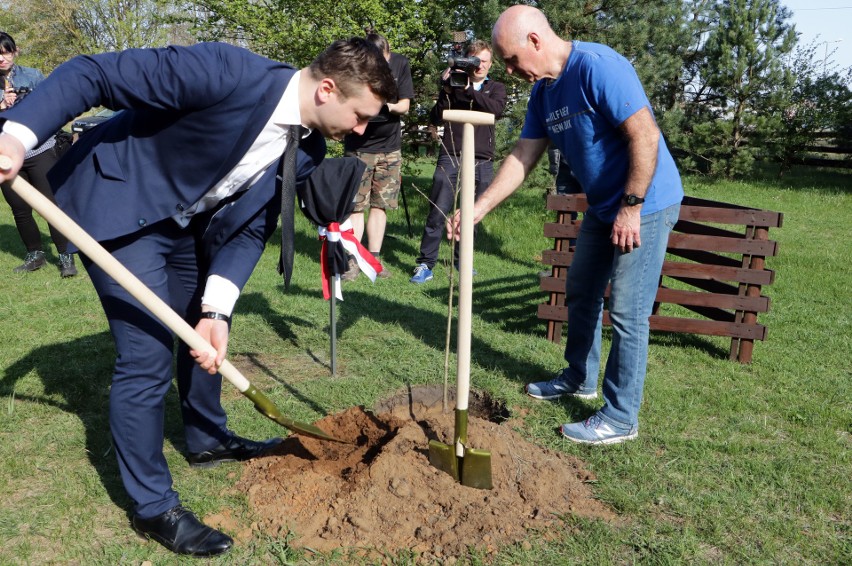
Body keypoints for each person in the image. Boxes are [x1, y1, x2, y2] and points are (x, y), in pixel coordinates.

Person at [0, 39, 396, 556]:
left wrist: (217, 309)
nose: (362, 130)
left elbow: (253, 227)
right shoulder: (225, 71)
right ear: (326, 89)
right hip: (120, 202)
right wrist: (15, 136)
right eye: (361, 115)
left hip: (186, 221)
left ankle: (207, 437)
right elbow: (91, 73)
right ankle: (153, 506)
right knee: (145, 356)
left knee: (198, 325)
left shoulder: (308, 147)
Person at [450, 6, 684, 444]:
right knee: (580, 290)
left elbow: (646, 135)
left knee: (629, 312)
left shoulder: (598, 67)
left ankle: (619, 418)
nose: (510, 70)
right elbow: (523, 156)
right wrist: (479, 208)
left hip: (646, 202)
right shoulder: (543, 95)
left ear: (535, 40)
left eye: (512, 59)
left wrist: (631, 207)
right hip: (603, 204)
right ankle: (580, 377)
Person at [410, 39, 506, 284]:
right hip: (451, 153)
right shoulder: (454, 84)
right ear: (467, 61)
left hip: (481, 158)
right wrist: (446, 89)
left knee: (471, 214)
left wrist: (468, 92)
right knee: (438, 210)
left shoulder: (495, 87)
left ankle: (462, 261)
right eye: (476, 61)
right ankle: (425, 264)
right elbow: (438, 116)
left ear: (491, 63)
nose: (480, 65)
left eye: (484, 61)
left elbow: (495, 110)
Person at [0, 32, 76, 277]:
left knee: (51, 205)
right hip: (5, 156)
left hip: (39, 149)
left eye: (6, 52)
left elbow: (52, 108)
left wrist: (26, 103)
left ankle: (65, 256)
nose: (2, 58)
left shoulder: (33, 76)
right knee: (20, 208)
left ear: (15, 51)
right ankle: (35, 254)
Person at [341, 31, 414, 280]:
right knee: (355, 206)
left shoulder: (400, 63)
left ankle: (373, 257)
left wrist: (386, 107)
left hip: (389, 148)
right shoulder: (355, 65)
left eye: (383, 60)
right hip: (358, 147)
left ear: (388, 52)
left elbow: (405, 104)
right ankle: (352, 259)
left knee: (380, 205)